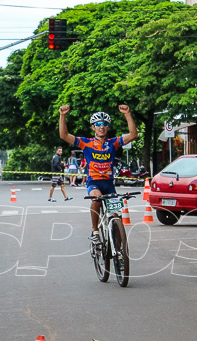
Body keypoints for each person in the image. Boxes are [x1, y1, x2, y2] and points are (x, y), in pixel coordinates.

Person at [58, 104, 137, 246]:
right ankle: (95, 231)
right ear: (93, 127)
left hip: (109, 184)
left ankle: (118, 250)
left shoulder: (113, 143)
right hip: (94, 182)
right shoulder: (86, 143)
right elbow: (63, 135)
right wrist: (62, 116)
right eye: (98, 124)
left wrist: (127, 114)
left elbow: (133, 135)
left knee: (116, 217)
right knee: (96, 200)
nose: (102, 126)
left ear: (107, 127)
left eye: (105, 124)